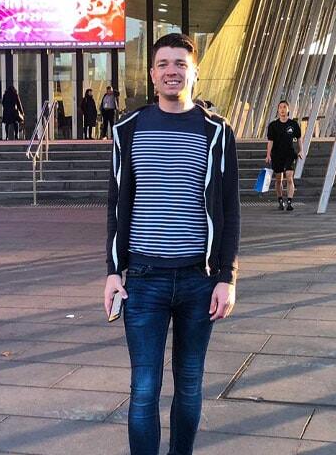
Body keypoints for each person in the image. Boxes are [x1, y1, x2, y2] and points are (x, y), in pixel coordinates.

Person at [103, 33, 240, 455]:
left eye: (180, 63)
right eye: (163, 64)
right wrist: (112, 271)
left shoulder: (216, 131)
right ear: (152, 73)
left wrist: (226, 277)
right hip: (144, 280)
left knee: (190, 382)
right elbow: (116, 203)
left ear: (194, 72)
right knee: (144, 388)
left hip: (199, 280)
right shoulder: (128, 128)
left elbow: (230, 208)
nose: (171, 71)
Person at [265, 100, 301, 211]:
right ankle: (280, 200)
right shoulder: (273, 125)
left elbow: (299, 138)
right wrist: (268, 155)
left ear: (288, 109)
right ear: (278, 110)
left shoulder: (293, 124)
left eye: (284, 107)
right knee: (279, 179)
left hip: (289, 154)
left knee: (290, 178)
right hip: (276, 154)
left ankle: (289, 201)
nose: (282, 109)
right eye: (280, 107)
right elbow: (270, 141)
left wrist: (301, 151)